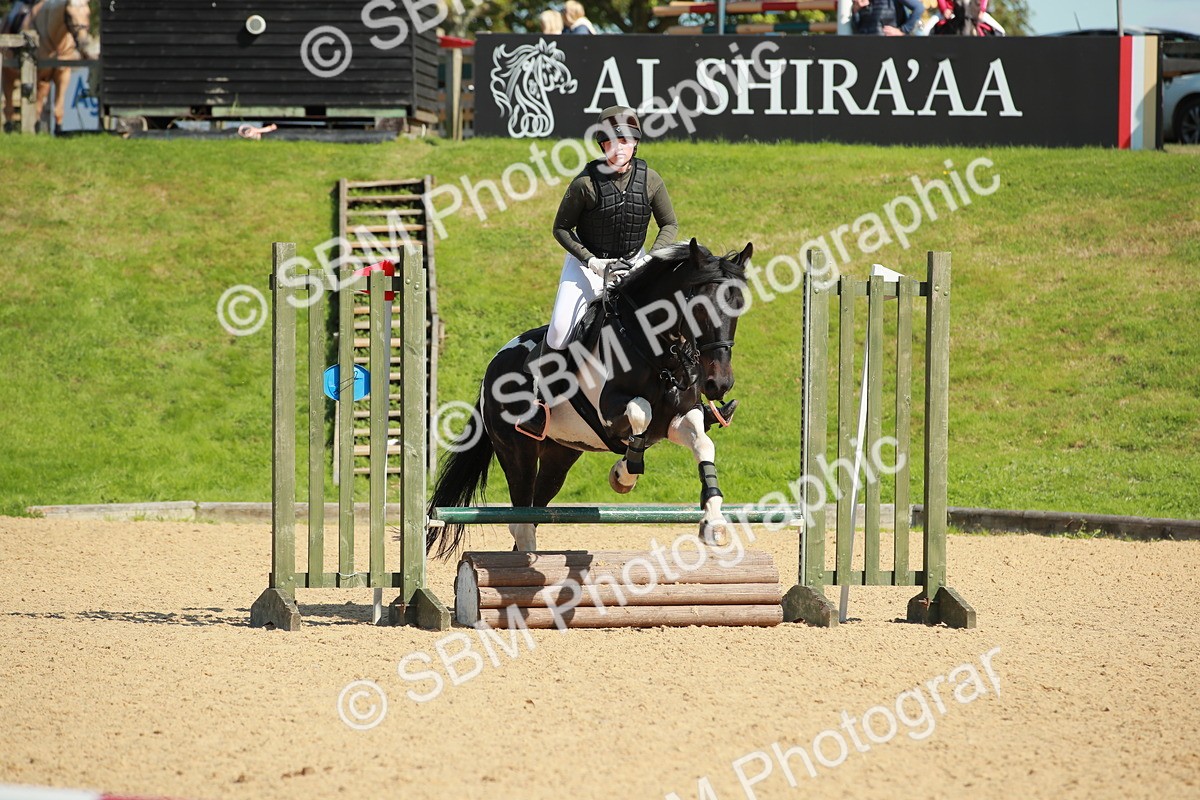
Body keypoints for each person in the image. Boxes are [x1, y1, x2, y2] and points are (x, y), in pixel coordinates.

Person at [518, 105, 736, 437]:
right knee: (561, 329)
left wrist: (652, 257)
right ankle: (539, 403)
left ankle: (697, 404)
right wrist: (590, 260)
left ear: (635, 143)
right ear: (601, 144)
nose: (618, 147)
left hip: (636, 265)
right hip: (588, 266)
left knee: (678, 318)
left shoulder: (650, 180)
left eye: (625, 140)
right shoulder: (585, 184)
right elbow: (561, 229)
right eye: (610, 141)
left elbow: (670, 223)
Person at [850, 0, 924, 35]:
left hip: (889, 47)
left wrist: (903, 30)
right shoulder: (862, 3)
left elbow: (919, 8)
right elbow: (857, 28)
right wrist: (856, 10)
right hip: (867, 47)